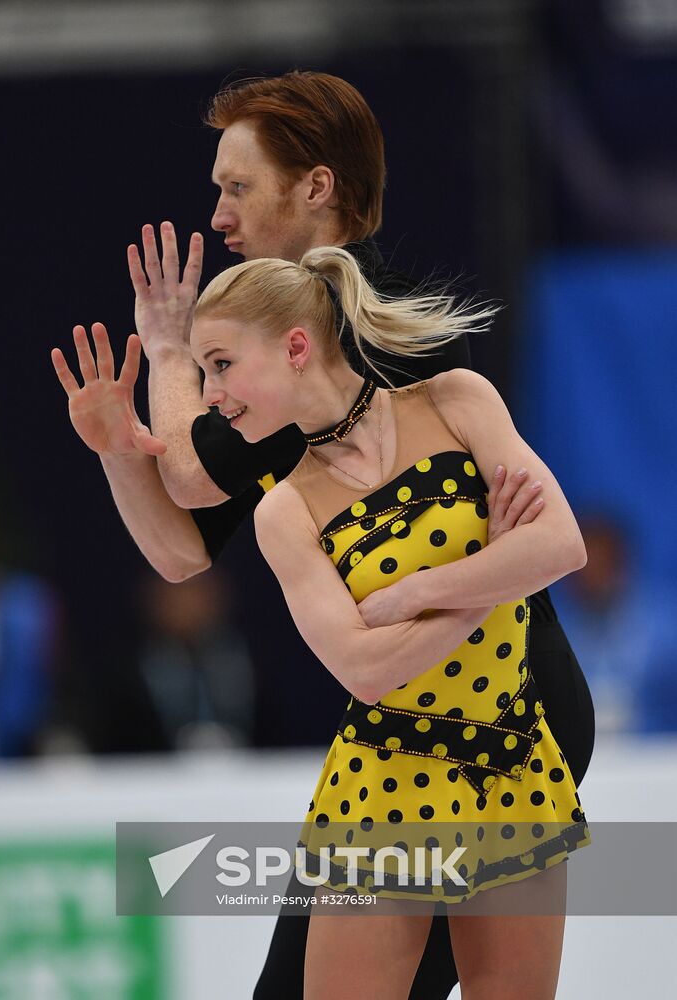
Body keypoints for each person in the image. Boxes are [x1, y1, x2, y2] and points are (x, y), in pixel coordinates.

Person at [51, 71, 595, 999]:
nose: (218, 214)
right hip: (397, 738)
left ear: (316, 188)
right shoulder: (276, 396)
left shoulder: (380, 328)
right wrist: (117, 450)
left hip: (513, 706)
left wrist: (173, 350)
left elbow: (191, 470)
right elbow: (180, 549)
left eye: (237, 186)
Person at [187, 245, 589, 998]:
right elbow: (367, 670)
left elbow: (561, 545)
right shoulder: (285, 509)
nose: (210, 395)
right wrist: (495, 573)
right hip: (386, 786)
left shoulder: (456, 400)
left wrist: (415, 594)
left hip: (511, 764)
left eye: (220, 364)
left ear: (295, 348)